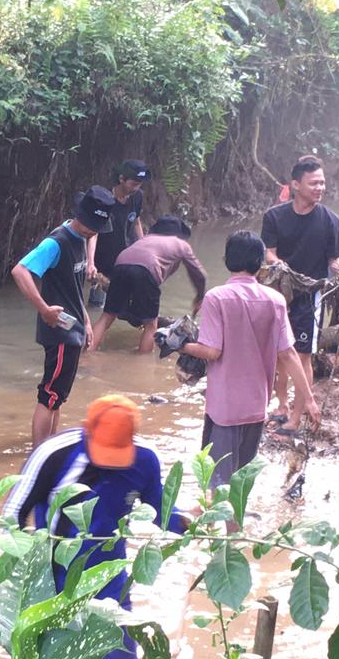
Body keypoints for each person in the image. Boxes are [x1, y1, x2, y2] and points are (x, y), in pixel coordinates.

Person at [3, 394, 184, 659]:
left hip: (107, 586)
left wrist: (193, 522)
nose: (109, 462)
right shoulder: (56, 453)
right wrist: (34, 547)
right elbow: (11, 515)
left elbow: (158, 512)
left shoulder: (145, 460)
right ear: (87, 433)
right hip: (48, 587)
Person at [180, 231, 321, 486]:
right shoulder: (275, 300)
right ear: (260, 263)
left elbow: (211, 351)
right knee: (239, 485)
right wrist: (309, 401)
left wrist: (181, 346)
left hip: (224, 407)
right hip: (257, 406)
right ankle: (236, 525)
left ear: (227, 261)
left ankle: (219, 525)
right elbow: (288, 354)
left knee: (216, 484)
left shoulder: (216, 297)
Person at [11, 188, 112, 447]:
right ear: (81, 217)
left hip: (73, 328)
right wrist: (44, 308)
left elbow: (75, 288)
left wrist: (87, 321)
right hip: (59, 331)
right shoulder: (57, 242)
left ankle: (50, 447)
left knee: (58, 396)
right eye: (93, 226)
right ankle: (39, 455)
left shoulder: (80, 238)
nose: (94, 232)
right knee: (49, 395)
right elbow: (20, 271)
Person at [261, 155, 339, 420]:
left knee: (303, 355)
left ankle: (297, 417)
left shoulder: (331, 220)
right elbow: (268, 253)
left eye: (322, 183)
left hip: (310, 296)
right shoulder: (274, 216)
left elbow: (334, 259)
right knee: (277, 353)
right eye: (313, 183)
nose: (319, 188)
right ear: (296, 185)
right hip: (279, 294)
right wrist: (281, 267)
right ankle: (281, 405)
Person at [89, 215, 207, 353]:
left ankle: (87, 353)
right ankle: (142, 366)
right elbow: (200, 275)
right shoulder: (181, 244)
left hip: (120, 264)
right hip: (146, 270)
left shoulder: (146, 239)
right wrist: (200, 296)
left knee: (107, 316)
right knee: (151, 324)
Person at [88, 160, 150, 307]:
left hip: (127, 258)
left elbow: (136, 222)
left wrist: (144, 248)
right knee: (97, 305)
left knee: (124, 303)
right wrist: (90, 262)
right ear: (122, 179)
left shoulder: (138, 196)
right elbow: (93, 232)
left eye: (140, 184)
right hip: (103, 261)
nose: (137, 188)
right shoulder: (105, 200)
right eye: (134, 184)